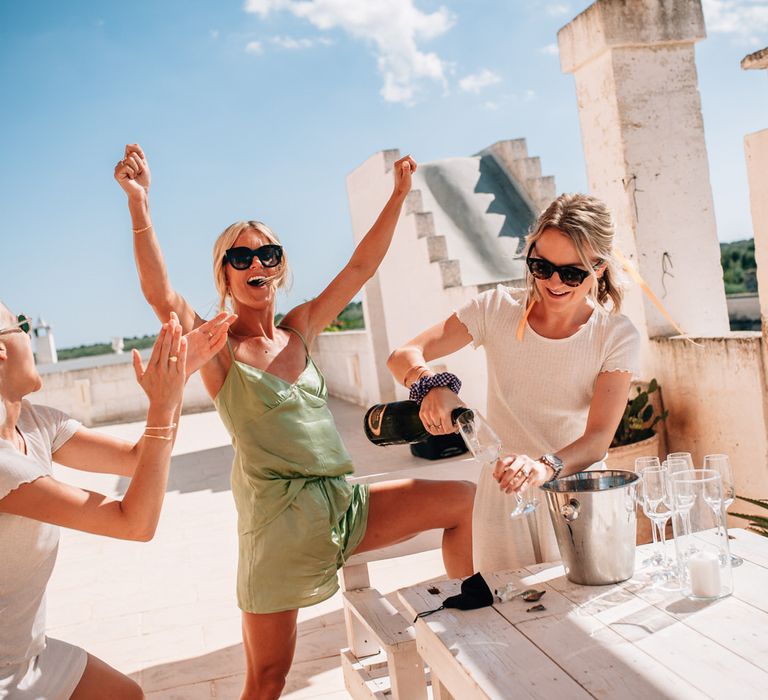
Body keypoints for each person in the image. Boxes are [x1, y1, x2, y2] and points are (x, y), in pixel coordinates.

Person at [114, 144, 475, 700]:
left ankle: (467, 632)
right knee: (267, 679)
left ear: (280, 267)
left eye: (268, 254)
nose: (256, 264)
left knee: (462, 501)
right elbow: (160, 295)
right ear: (225, 274)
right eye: (241, 258)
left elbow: (360, 268)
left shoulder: (302, 327)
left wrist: (398, 196)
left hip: (341, 504)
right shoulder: (218, 345)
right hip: (277, 527)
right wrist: (140, 206)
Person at [388, 193, 641, 572]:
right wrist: (432, 385)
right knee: (507, 618)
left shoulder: (615, 335)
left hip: (576, 495)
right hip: (503, 497)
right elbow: (403, 355)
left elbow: (598, 439)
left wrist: (542, 468)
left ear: (600, 268)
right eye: (541, 266)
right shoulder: (496, 309)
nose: (554, 282)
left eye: (572, 273)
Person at [0, 305, 232, 699]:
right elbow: (134, 523)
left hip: (26, 654)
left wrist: (175, 383)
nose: (28, 333)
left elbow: (140, 459)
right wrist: (161, 404)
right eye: (21, 325)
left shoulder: (34, 423)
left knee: (125, 695)